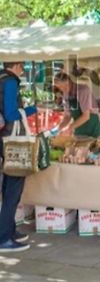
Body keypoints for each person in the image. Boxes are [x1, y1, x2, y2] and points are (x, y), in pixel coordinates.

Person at [0, 62, 37, 252]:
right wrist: (32, 110)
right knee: (13, 188)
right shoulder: (10, 82)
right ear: (14, 65)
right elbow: (11, 114)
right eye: (21, 65)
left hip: (3, 139)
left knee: (8, 186)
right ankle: (3, 238)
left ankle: (8, 230)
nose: (22, 69)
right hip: (12, 141)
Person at [53, 72, 100, 138]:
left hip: (91, 127)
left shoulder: (83, 90)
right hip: (79, 129)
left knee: (91, 147)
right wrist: (58, 129)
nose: (62, 89)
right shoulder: (65, 95)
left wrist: (70, 128)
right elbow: (67, 116)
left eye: (65, 85)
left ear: (69, 81)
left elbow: (86, 116)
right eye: (60, 87)